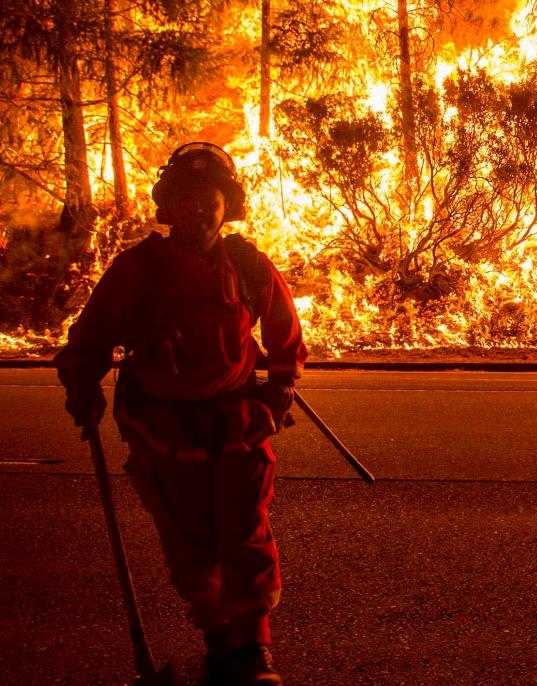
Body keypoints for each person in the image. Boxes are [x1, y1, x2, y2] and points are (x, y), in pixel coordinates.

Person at [55, 142, 307, 686]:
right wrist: (82, 383)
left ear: (228, 205)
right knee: (189, 545)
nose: (198, 210)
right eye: (185, 198)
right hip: (163, 434)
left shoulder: (248, 265)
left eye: (209, 199)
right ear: (167, 207)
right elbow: (90, 339)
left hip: (237, 428)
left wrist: (280, 388)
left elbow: (286, 335)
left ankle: (254, 650)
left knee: (247, 536)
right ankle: (218, 640)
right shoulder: (136, 270)